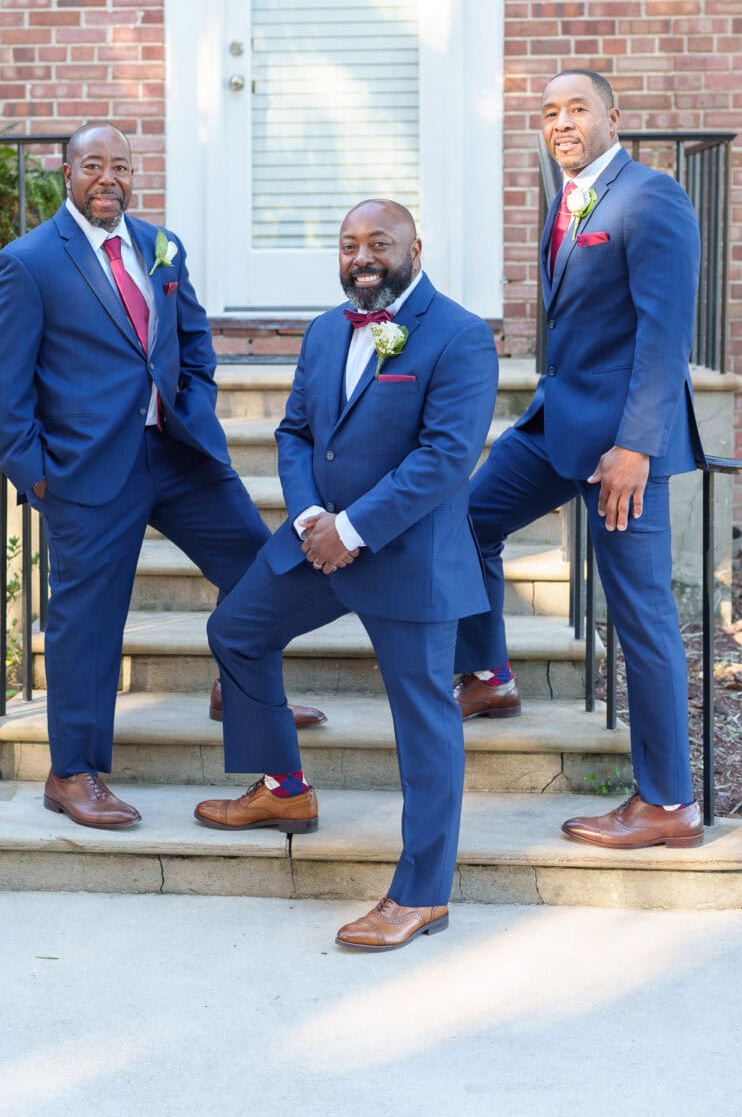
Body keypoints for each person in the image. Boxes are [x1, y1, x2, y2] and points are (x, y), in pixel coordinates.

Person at [0, 122, 324, 831]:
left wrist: (193, 406)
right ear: (65, 173)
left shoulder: (161, 246)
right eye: (93, 165)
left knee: (260, 568)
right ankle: (71, 775)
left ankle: (240, 686)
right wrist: (37, 474)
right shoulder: (30, 262)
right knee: (87, 623)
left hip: (177, 453)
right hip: (88, 470)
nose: (109, 178)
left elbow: (191, 340)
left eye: (121, 167)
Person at [194, 199, 499, 950]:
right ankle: (284, 789)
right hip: (316, 541)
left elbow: (444, 458)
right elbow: (296, 431)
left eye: (380, 242)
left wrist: (352, 529)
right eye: (348, 244)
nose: (362, 256)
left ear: (416, 248)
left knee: (424, 722)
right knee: (235, 629)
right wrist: (307, 520)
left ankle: (422, 895)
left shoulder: (459, 336)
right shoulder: (328, 330)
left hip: (407, 556)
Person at [455, 70, 706, 848]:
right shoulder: (567, 200)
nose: (562, 123)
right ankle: (490, 676)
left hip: (621, 449)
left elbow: (664, 336)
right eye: (550, 113)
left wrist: (636, 447)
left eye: (577, 109)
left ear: (612, 117)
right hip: (555, 425)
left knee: (641, 618)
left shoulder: (651, 196)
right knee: (465, 520)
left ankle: (667, 803)